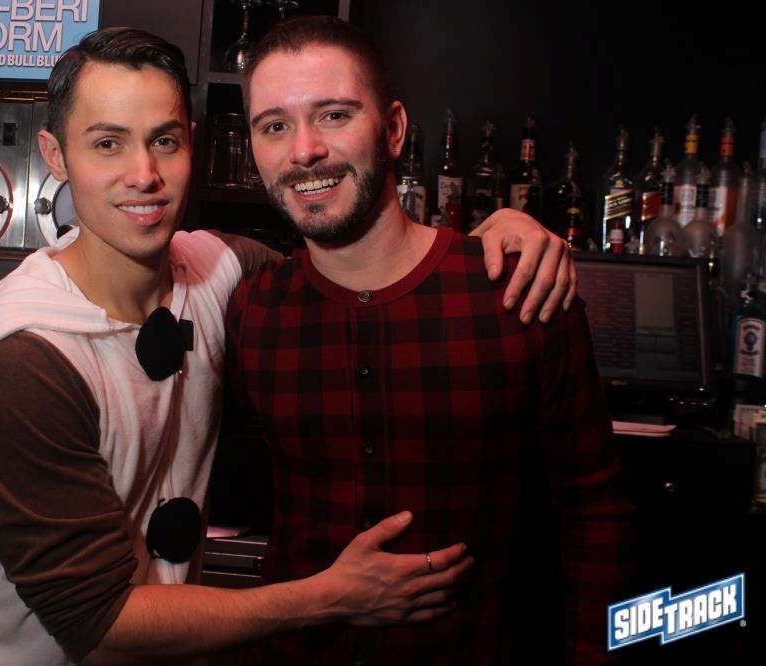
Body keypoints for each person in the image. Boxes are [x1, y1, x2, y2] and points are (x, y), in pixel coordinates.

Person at [0, 27, 581, 666]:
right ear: (55, 157)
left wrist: (496, 236)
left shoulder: (219, 269)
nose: (144, 175)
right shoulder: (22, 356)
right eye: (107, 143)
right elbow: (100, 626)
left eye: (164, 141)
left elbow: (346, 268)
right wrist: (333, 596)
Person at [224, 15, 634, 665]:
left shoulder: (517, 290)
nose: (304, 150)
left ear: (393, 129)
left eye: (333, 115)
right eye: (274, 126)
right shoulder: (252, 310)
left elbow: (597, 515)